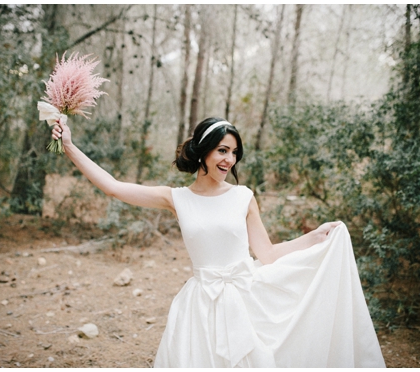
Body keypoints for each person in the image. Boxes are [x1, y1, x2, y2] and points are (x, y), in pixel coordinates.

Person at [50, 117, 385, 368]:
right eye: (222, 150)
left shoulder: (243, 197)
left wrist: (314, 237)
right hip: (199, 305)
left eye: (234, 153)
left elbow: (266, 254)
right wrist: (68, 145)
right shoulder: (175, 198)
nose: (229, 160)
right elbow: (112, 186)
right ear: (203, 151)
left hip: (246, 300)